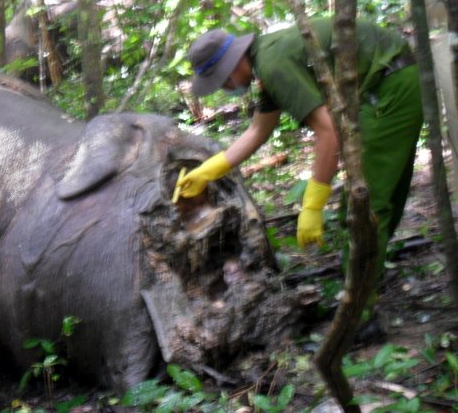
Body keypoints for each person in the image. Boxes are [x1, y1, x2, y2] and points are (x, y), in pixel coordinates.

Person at [177, 17, 423, 271]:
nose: (226, 87)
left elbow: (328, 132)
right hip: (390, 82)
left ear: (233, 63)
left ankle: (360, 298)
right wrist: (206, 173)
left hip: (390, 89)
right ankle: (365, 269)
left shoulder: (273, 66)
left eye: (223, 80)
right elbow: (258, 131)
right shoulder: (267, 56)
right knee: (373, 195)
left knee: (367, 203)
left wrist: (313, 205)